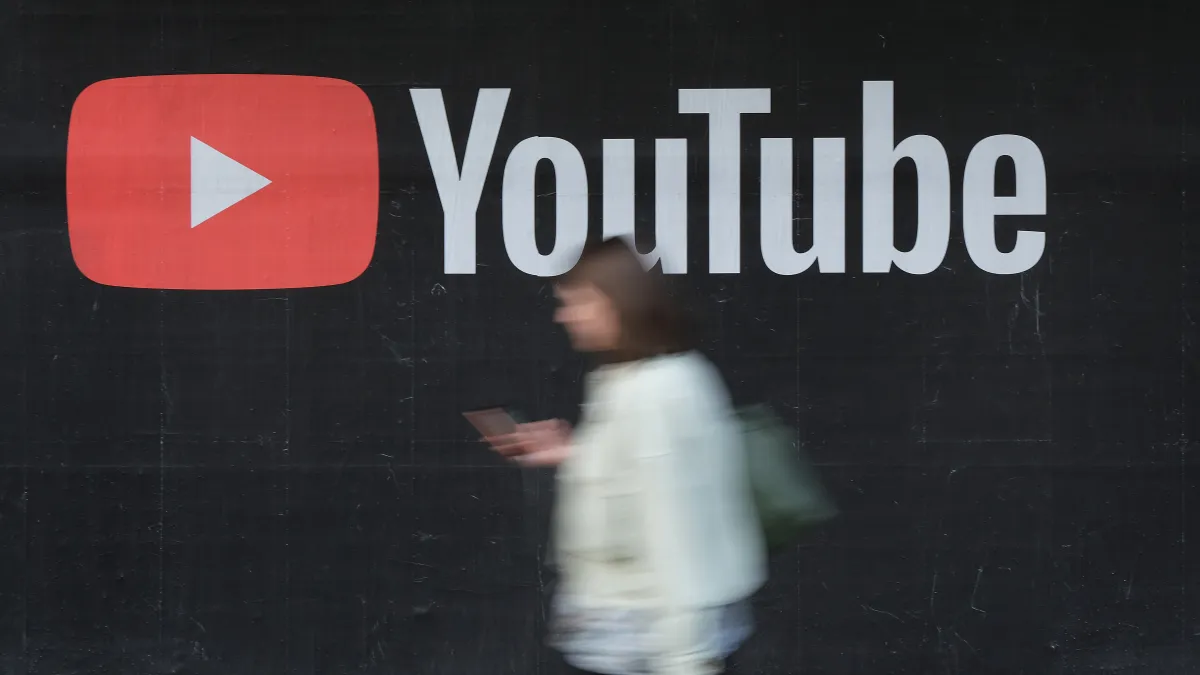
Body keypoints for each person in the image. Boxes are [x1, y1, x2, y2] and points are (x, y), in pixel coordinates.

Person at [484, 237, 767, 675]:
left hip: (650, 639)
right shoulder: (635, 381)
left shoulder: (654, 394)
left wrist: (685, 660)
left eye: (577, 301)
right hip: (628, 633)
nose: (565, 315)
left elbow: (679, 533)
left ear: (616, 301)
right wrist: (575, 453)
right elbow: (639, 481)